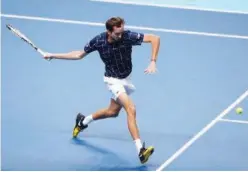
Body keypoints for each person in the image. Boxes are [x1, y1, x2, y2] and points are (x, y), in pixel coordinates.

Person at [44, 17, 160, 164]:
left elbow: (155, 38)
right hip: (112, 81)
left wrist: (152, 61)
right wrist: (53, 55)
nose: (120, 36)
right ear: (109, 32)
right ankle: (140, 151)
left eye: (121, 32)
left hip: (126, 79)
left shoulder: (127, 36)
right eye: (117, 33)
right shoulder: (99, 41)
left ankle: (82, 121)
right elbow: (79, 54)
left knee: (112, 112)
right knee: (131, 108)